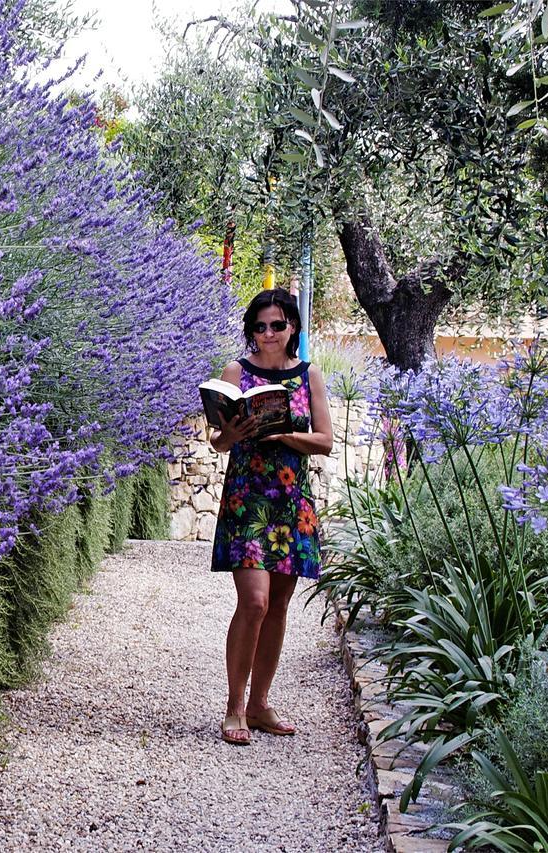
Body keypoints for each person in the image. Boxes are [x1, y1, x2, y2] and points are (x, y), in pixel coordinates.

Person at [208, 288, 333, 746]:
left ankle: (260, 704)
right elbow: (218, 442)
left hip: (291, 501)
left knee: (278, 605)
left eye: (277, 325)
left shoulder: (309, 375)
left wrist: (283, 433)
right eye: (259, 326)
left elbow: (324, 441)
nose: (268, 334)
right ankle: (235, 705)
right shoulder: (236, 372)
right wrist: (233, 433)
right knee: (255, 602)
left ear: (293, 328)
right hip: (247, 499)